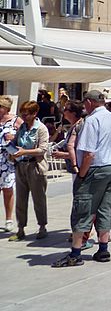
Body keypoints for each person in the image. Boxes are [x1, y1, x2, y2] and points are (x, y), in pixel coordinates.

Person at [52, 90, 111, 268]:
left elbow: (89, 153)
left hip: (95, 168)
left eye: (85, 103)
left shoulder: (92, 120)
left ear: (90, 102)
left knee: (82, 207)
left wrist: (81, 174)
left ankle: (75, 253)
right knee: (104, 208)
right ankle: (103, 249)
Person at [8, 100, 49, 241]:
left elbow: (43, 149)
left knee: (39, 199)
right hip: (21, 166)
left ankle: (42, 226)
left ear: (34, 113)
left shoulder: (41, 129)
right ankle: (21, 229)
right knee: (21, 199)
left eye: (26, 114)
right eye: (22, 114)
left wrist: (25, 151)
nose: (24, 117)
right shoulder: (22, 128)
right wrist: (11, 144)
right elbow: (17, 143)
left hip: (35, 167)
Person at [0, 95, 22, 233]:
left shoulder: (16, 120)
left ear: (6, 108)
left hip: (7, 160)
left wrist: (14, 137)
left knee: (7, 190)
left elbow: (25, 136)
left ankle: (9, 219)